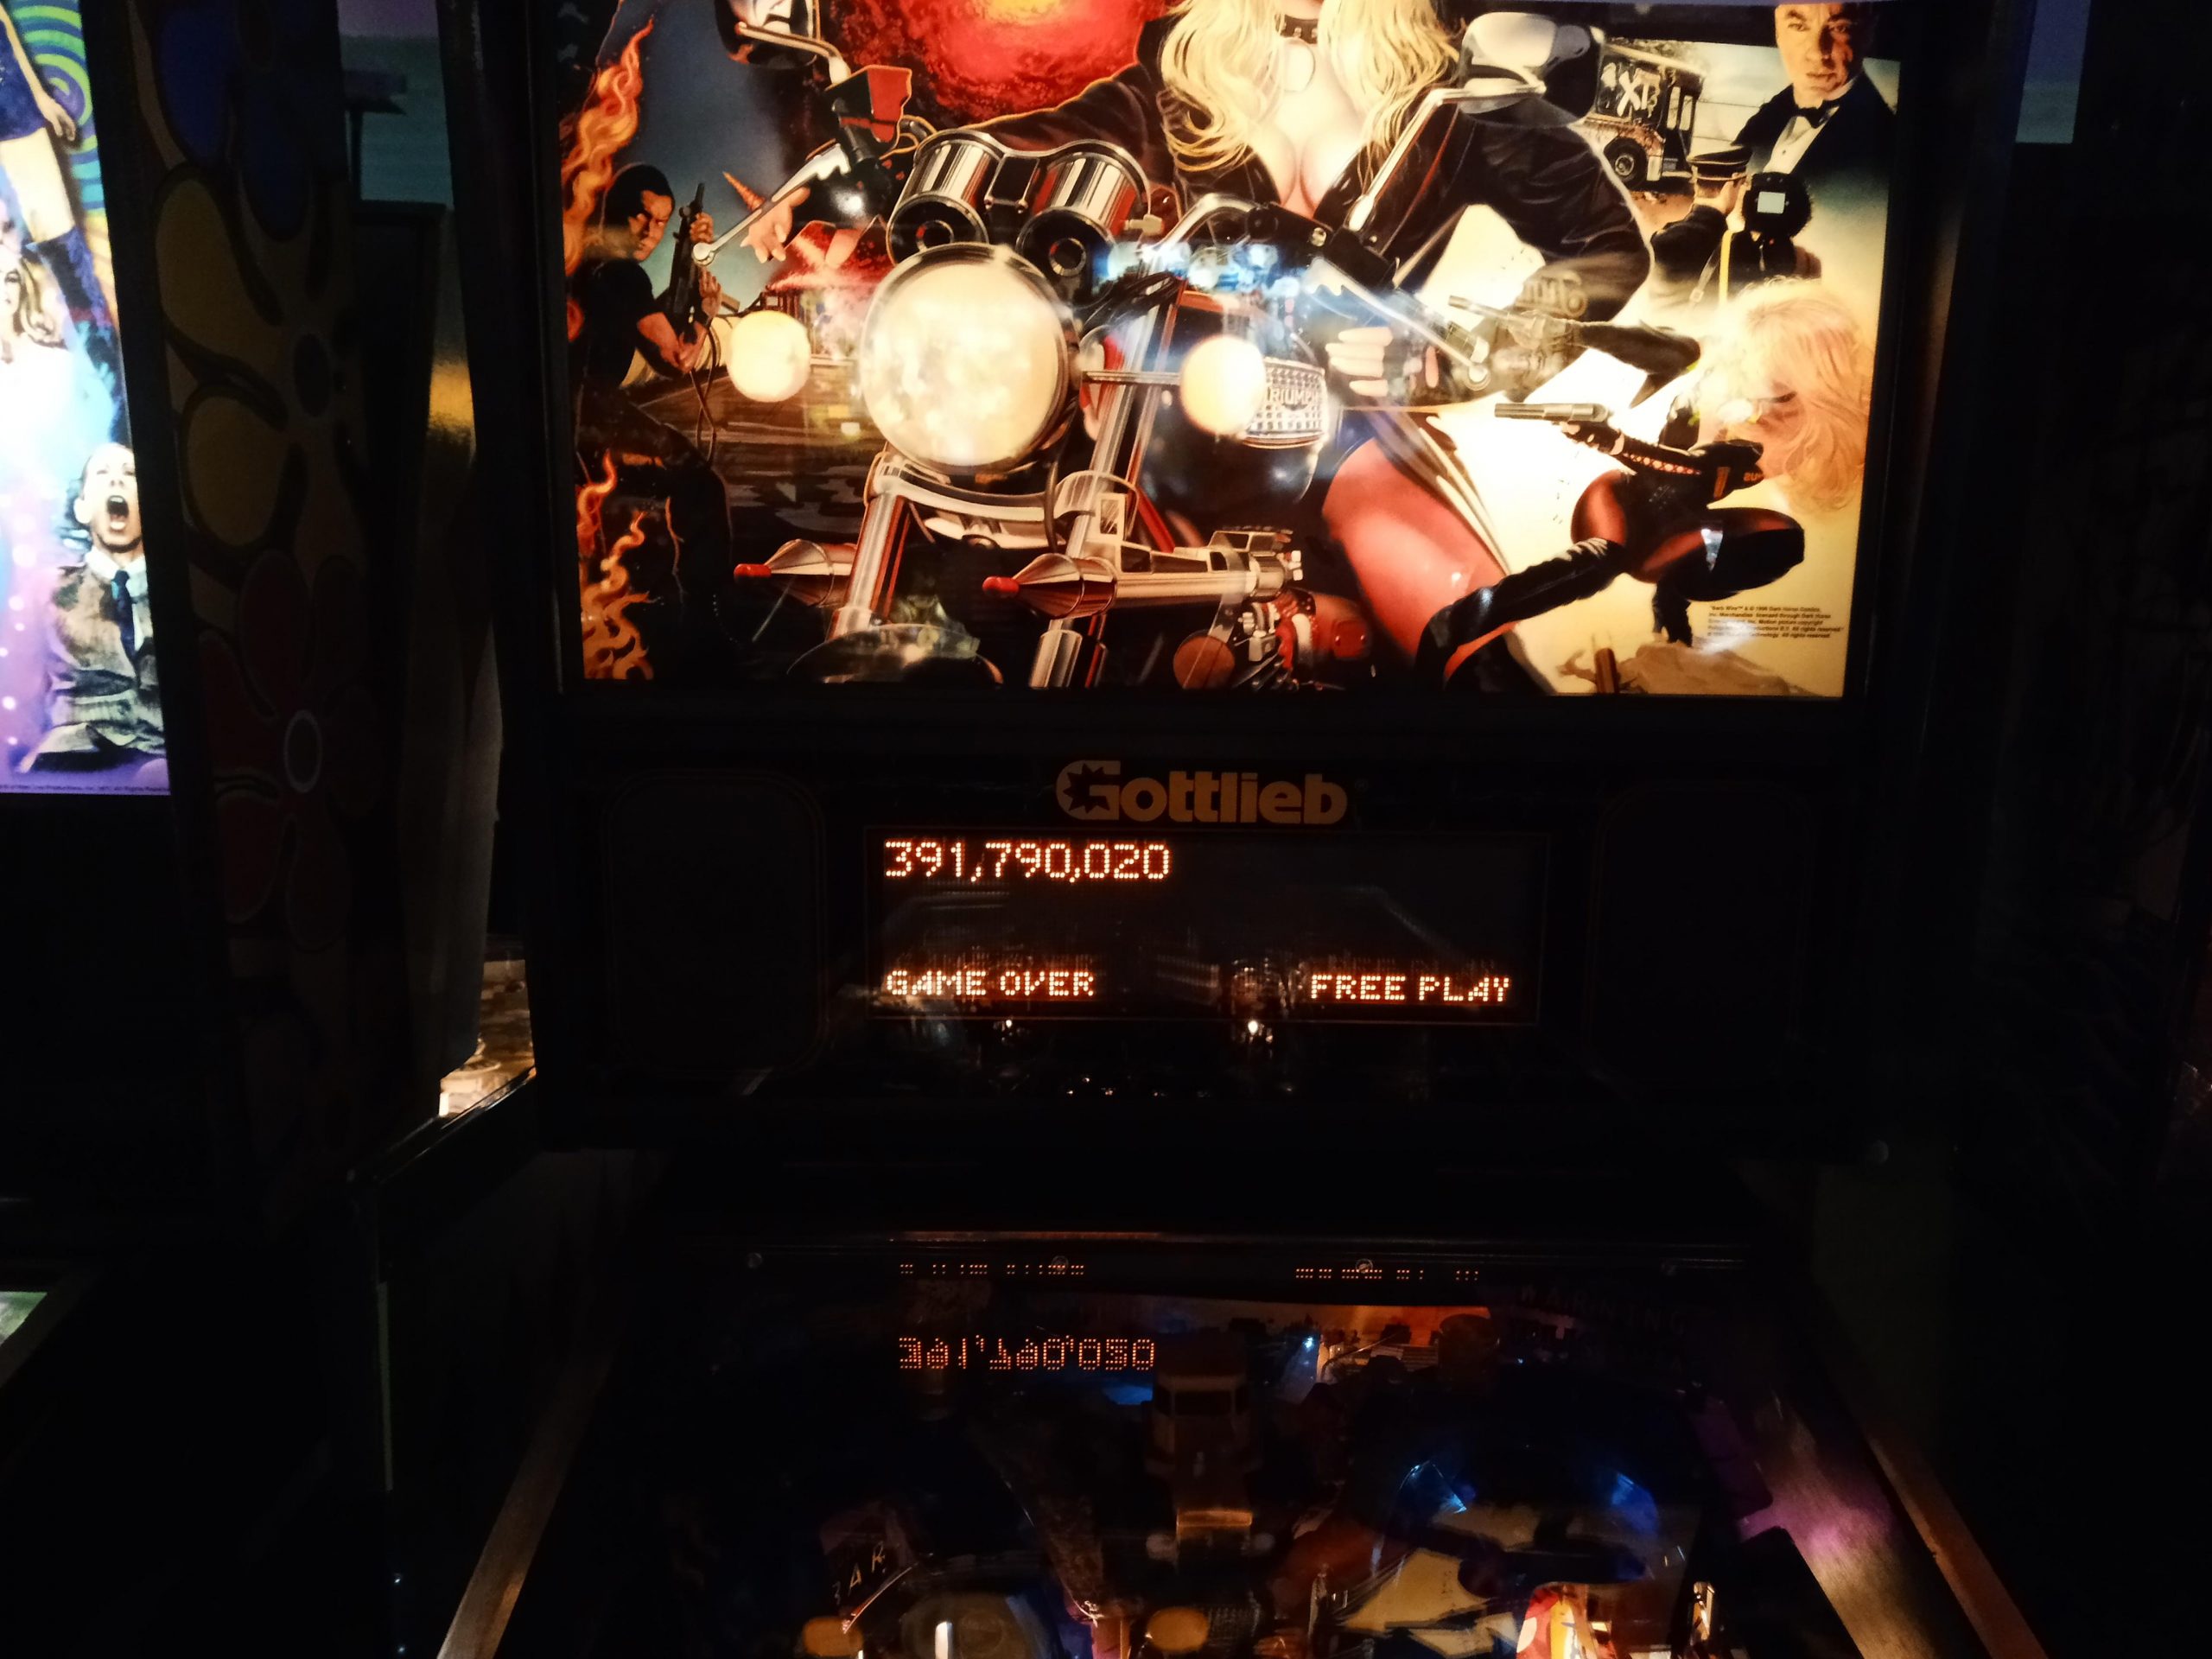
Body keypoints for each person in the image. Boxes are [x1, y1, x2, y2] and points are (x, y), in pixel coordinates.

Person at [742, 0, 1652, 674]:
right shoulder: (1179, 75)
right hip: (1152, 419)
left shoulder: (1450, 91)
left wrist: (1461, 355)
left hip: (1342, 433)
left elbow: (1607, 246)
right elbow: (1036, 144)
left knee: (1466, 648)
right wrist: (858, 177)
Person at [569, 162, 734, 671]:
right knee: (700, 484)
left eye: (661, 222)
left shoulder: (593, 262)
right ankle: (705, 620)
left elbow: (649, 323)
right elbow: (677, 357)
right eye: (641, 215)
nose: (649, 231)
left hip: (583, 410)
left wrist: (687, 257)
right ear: (616, 209)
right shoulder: (618, 272)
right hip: (590, 410)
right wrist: (705, 315)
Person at [2, 2, 119, 424]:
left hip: (10, 104)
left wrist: (39, 97)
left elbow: (2, 22)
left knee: (64, 253)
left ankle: (115, 391)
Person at [22, 443, 162, 771]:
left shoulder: (171, 590)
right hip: (70, 759)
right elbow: (25, 693)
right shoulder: (50, 591)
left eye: (130, 473)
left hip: (161, 760)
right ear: (82, 509)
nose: (116, 480)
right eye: (102, 473)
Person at [1734, 3, 1894, 202]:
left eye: (1840, 28)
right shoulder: (1762, 121)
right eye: (1798, 26)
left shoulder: (1885, 146)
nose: (1817, 53)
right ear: (1778, 31)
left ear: (1867, 34)